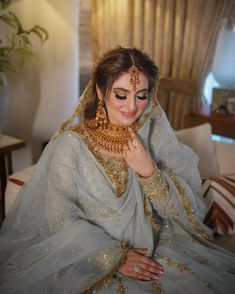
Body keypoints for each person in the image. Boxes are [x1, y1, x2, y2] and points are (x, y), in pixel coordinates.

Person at [0, 47, 234, 294]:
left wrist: (149, 172)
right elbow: (59, 217)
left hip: (157, 249)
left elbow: (184, 212)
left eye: (141, 95)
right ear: (101, 91)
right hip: (88, 257)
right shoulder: (71, 144)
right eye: (121, 95)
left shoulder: (153, 135)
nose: (132, 107)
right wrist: (114, 257)